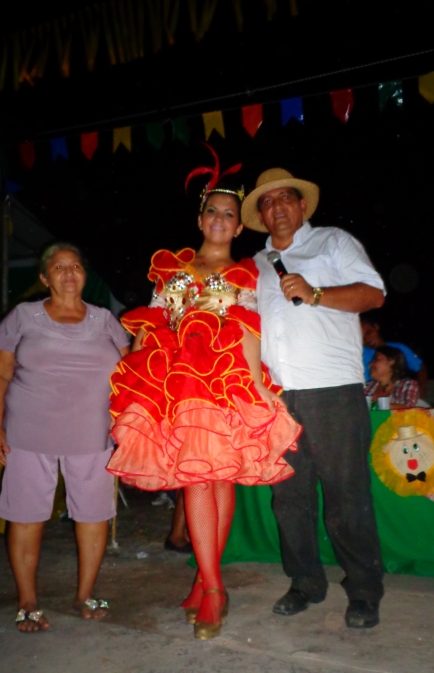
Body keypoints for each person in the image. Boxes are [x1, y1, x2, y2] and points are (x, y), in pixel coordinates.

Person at [108, 150, 301, 640]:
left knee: (217, 481)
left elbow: (247, 330)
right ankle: (209, 583)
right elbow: (149, 329)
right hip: (176, 382)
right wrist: (132, 384)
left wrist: (257, 383)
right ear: (200, 219)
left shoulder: (244, 275)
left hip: (223, 381)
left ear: (240, 228)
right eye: (212, 211)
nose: (219, 219)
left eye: (229, 214)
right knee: (198, 480)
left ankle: (211, 586)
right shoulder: (171, 269)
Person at [241, 168, 385, 628]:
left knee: (347, 495)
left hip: (333, 390)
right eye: (268, 202)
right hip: (279, 395)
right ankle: (305, 582)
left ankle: (363, 590)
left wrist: (316, 292)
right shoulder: (254, 266)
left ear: (302, 205)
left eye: (287, 197)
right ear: (261, 215)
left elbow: (374, 294)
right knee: (289, 498)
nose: (278, 206)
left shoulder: (333, 242)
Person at [0, 243, 130, 632]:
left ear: (85, 275)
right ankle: (28, 602)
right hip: (29, 433)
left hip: (94, 434)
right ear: (45, 278)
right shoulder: (23, 317)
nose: (69, 273)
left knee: (94, 516)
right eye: (59, 267)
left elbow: (135, 370)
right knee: (26, 517)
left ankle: (86, 594)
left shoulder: (104, 321)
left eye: (76, 266)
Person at [360, 312, 427, 398]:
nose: (367, 339)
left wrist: (421, 394)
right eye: (361, 338)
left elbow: (421, 368)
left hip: (394, 394)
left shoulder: (399, 348)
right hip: (369, 393)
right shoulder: (360, 352)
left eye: (368, 333)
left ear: (376, 327)